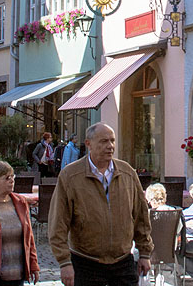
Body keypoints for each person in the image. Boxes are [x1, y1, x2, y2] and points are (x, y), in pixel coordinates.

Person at [48, 122, 152, 286]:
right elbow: (58, 221)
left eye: (112, 141)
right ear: (88, 144)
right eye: (103, 141)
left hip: (123, 260)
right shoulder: (70, 176)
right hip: (86, 261)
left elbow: (141, 216)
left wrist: (145, 253)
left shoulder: (127, 173)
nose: (110, 146)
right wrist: (64, 262)